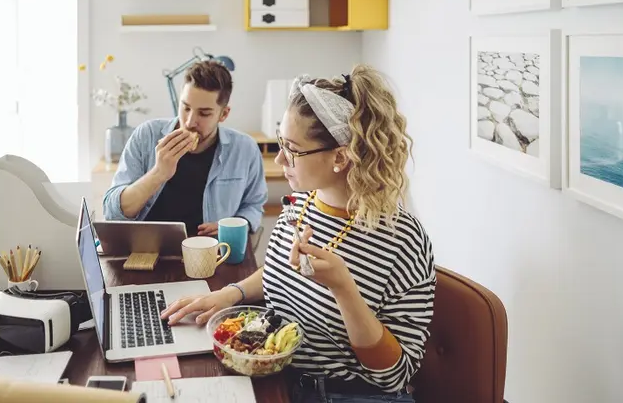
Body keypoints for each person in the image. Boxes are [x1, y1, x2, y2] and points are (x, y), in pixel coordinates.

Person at [161, 65, 436, 402]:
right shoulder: (300, 205)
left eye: (293, 148)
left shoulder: (401, 239)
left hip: (344, 395)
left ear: (340, 157)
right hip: (279, 380)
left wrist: (343, 289)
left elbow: (394, 375)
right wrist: (229, 294)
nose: (279, 159)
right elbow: (280, 272)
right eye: (280, 142)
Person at [103, 60, 267, 236]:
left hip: (212, 253)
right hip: (145, 252)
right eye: (185, 107)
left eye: (204, 113)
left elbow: (253, 205)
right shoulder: (146, 136)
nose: (189, 122)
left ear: (224, 114)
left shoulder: (245, 149)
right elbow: (112, 214)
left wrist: (234, 225)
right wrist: (158, 173)